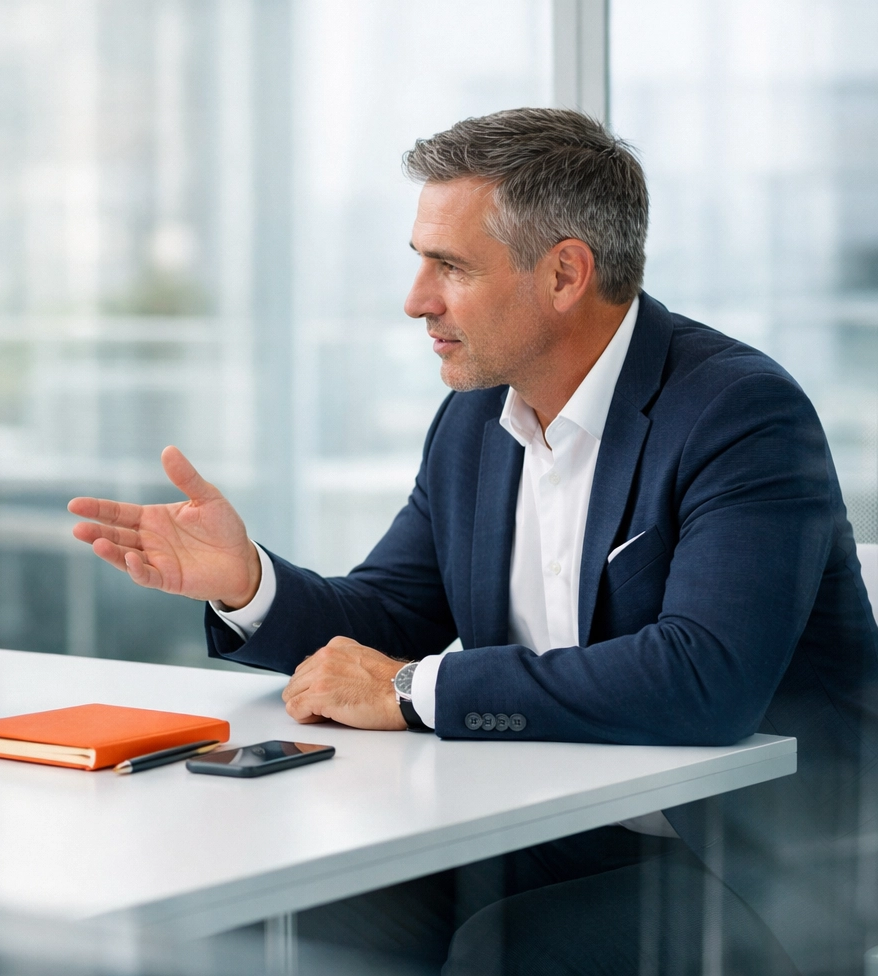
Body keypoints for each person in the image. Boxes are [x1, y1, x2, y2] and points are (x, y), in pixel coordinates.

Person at [68, 109, 878, 974]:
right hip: (548, 824)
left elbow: (703, 679)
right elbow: (390, 613)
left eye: (448, 266)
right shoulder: (473, 419)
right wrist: (247, 584)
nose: (416, 299)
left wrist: (421, 690)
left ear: (566, 273)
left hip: (755, 862)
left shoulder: (738, 411)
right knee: (286, 912)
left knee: (503, 954)